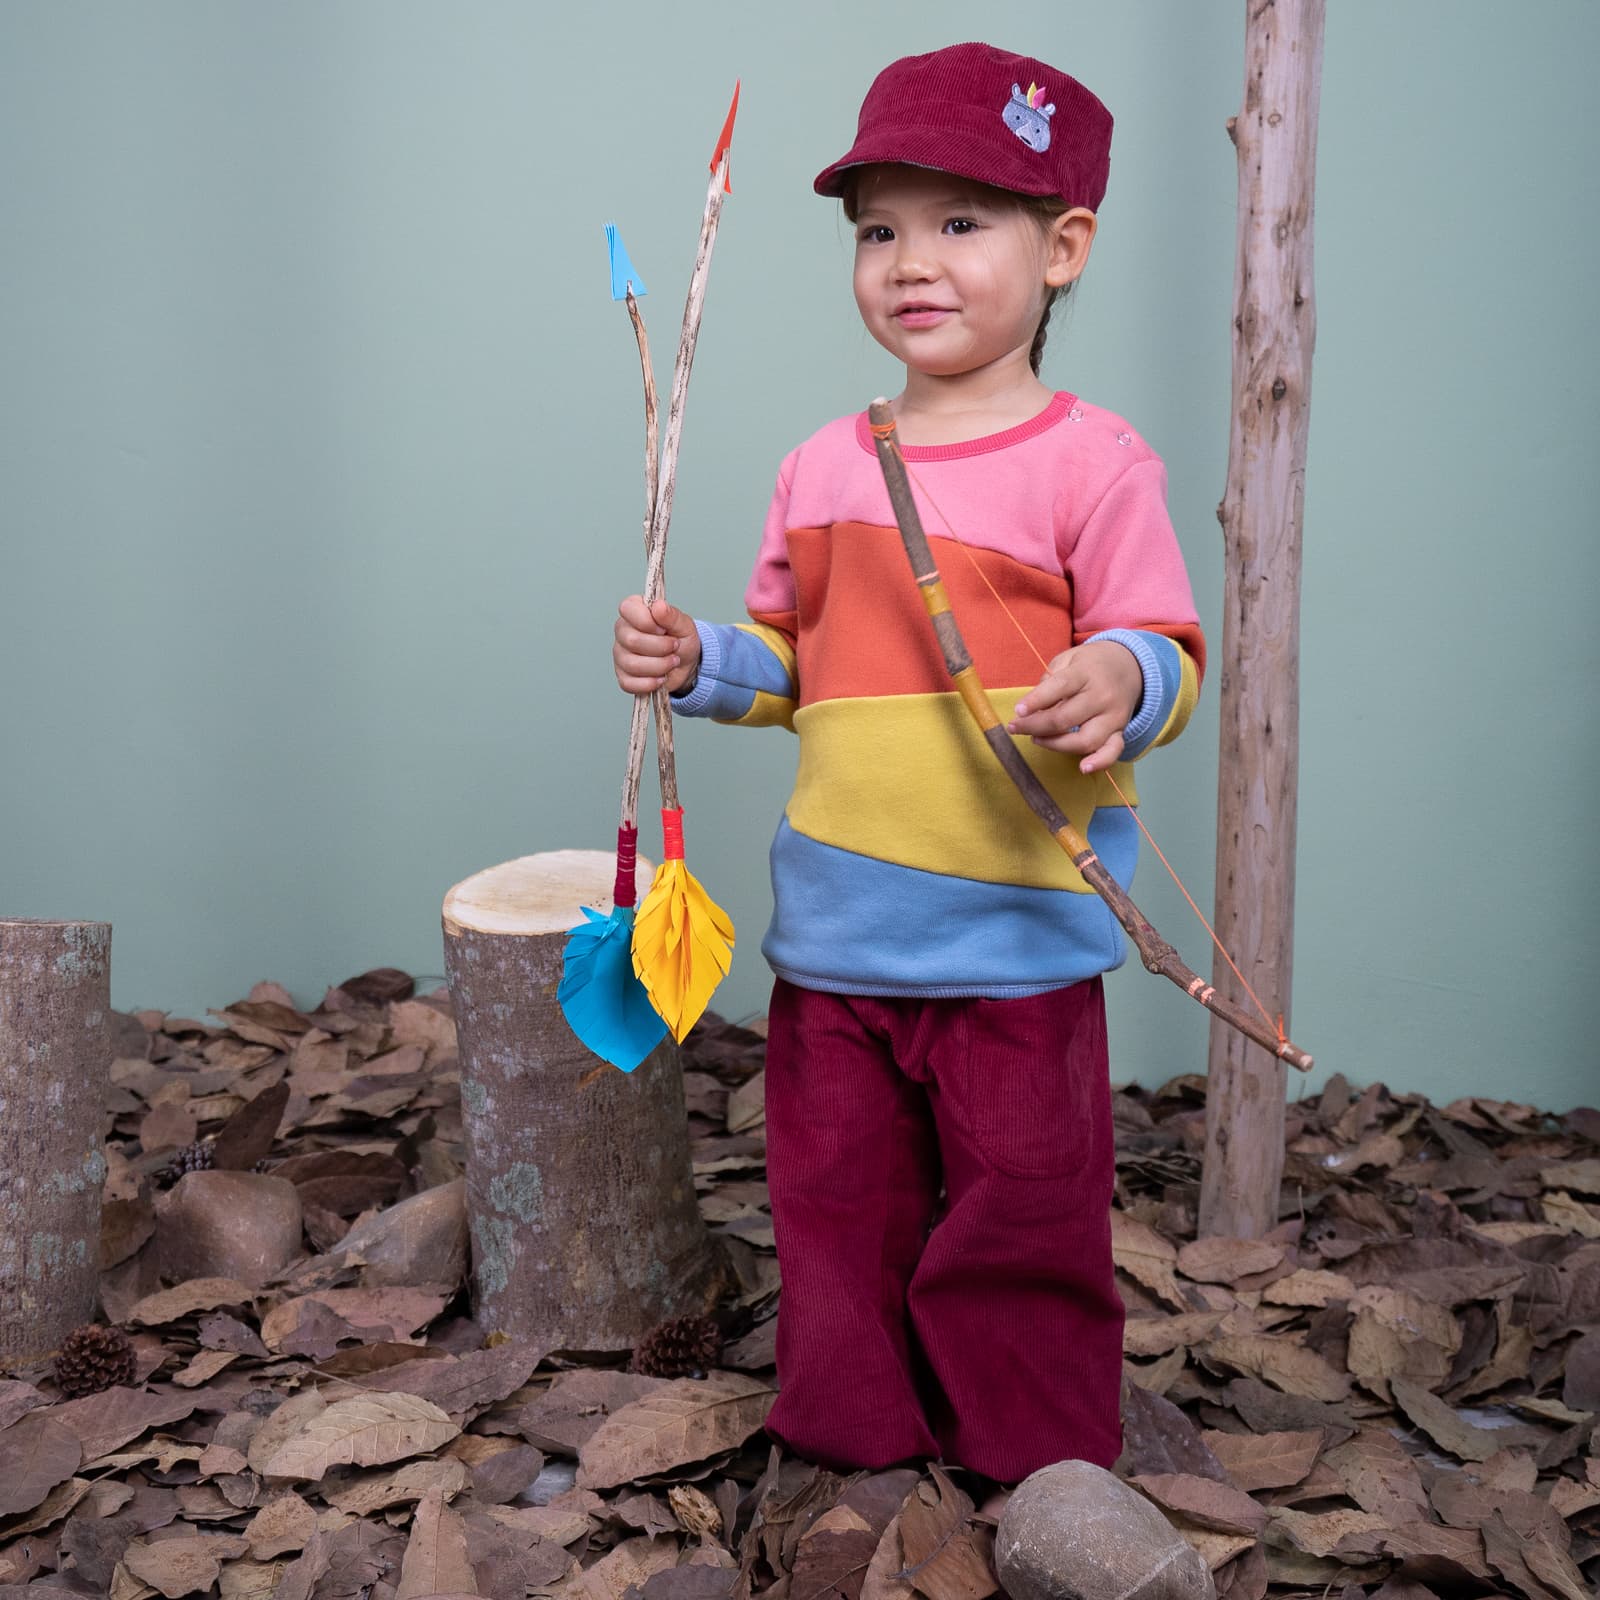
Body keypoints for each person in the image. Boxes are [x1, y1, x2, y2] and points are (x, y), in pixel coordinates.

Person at [612, 42, 1204, 1482]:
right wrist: (699, 661)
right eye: (878, 230)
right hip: (838, 938)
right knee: (835, 1209)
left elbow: (1170, 652)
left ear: (1063, 248)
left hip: (1015, 946)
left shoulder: (1097, 461)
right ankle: (850, 1450)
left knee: (1024, 1213)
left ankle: (1035, 1464)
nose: (910, 262)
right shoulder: (825, 465)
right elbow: (795, 664)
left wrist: (1123, 676)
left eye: (961, 222)